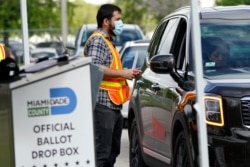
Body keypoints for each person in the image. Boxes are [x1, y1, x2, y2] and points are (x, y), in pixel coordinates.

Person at [83, 4, 141, 167]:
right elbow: (94, 67)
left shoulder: (108, 41)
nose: (121, 23)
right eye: (118, 19)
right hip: (102, 103)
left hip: (112, 103)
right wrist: (124, 74)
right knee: (102, 154)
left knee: (111, 153)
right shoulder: (98, 41)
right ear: (106, 21)